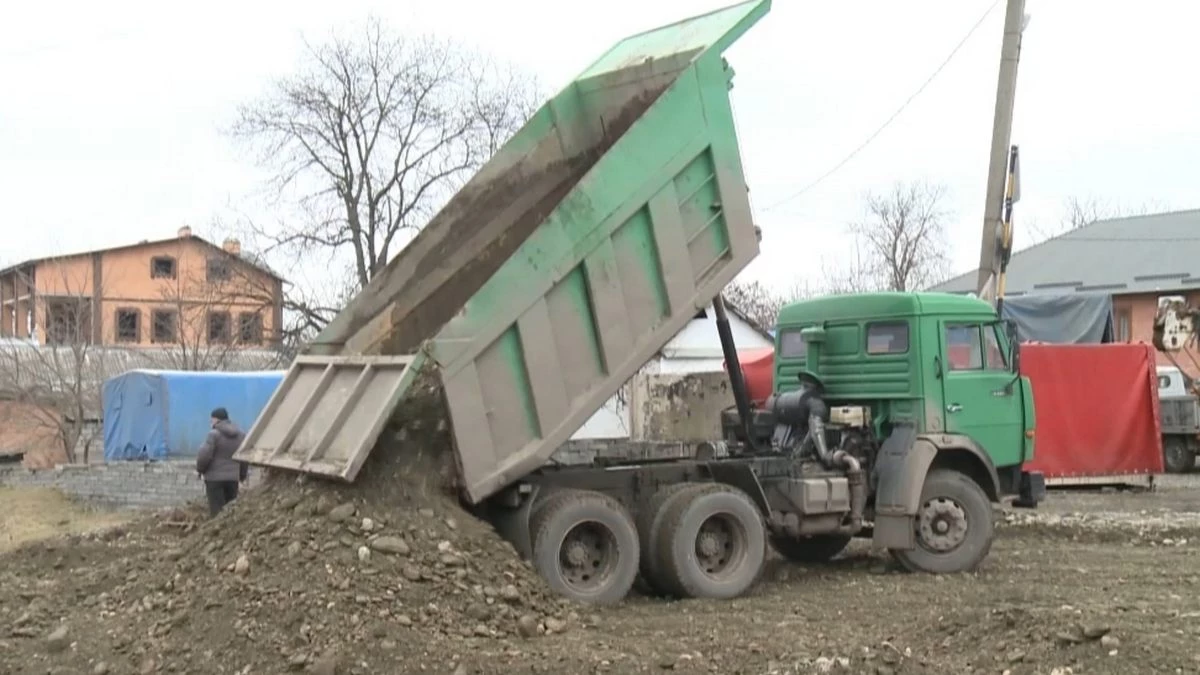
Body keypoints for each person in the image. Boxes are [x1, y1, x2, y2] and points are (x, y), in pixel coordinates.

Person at [196, 407, 249, 517]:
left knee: (217, 511)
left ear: (216, 419)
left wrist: (200, 470)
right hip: (232, 479)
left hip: (214, 480)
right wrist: (242, 475)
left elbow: (204, 455)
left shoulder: (213, 435)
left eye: (211, 420)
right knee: (230, 511)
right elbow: (244, 457)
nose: (211, 423)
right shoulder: (241, 435)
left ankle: (215, 532)